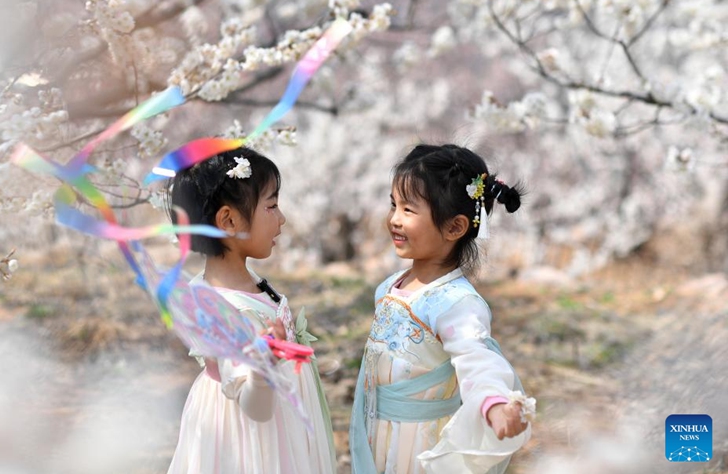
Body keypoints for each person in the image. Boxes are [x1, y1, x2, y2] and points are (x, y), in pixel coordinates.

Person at [350, 144, 532, 474]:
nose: (394, 219)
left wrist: (494, 404)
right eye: (394, 205)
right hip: (378, 435)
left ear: (454, 227)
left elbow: (476, 358)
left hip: (420, 447)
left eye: (409, 209)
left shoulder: (456, 304)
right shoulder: (390, 288)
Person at [166, 147, 335, 474]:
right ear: (229, 220)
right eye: (271, 206)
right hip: (250, 442)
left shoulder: (248, 282)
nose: (282, 218)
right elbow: (254, 408)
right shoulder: (220, 312)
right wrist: (261, 371)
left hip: (280, 427)